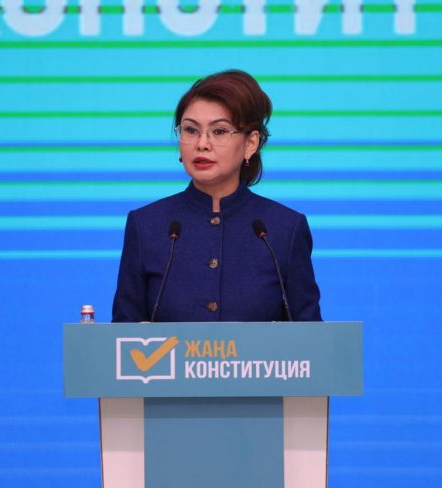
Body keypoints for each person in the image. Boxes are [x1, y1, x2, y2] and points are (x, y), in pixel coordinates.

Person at [112, 69, 321, 323]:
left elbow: (312, 340)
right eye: (191, 130)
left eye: (219, 131)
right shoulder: (146, 226)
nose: (202, 143)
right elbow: (121, 337)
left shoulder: (283, 229)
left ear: (251, 143)